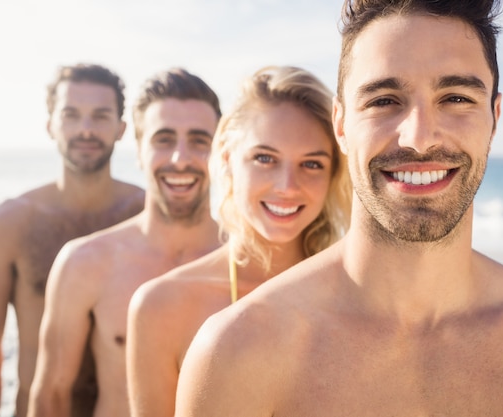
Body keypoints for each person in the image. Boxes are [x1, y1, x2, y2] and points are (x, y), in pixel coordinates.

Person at [174, 1, 503, 416]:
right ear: (342, 126)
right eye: (384, 100)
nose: (419, 138)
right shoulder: (239, 351)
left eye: (455, 97)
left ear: (495, 116)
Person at [126, 65, 352, 417]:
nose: (287, 186)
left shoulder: (361, 297)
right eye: (265, 158)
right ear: (229, 160)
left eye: (311, 164)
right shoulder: (160, 306)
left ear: (333, 173)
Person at [26, 68, 222, 417]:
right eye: (163, 139)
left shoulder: (253, 261)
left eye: (198, 140)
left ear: (221, 149)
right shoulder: (85, 262)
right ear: (139, 150)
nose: (180, 158)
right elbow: (51, 395)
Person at [0, 63, 145, 417]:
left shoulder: (148, 216)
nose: (86, 129)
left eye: (101, 116)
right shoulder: (8, 224)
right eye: (71, 115)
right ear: (50, 125)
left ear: (122, 129)